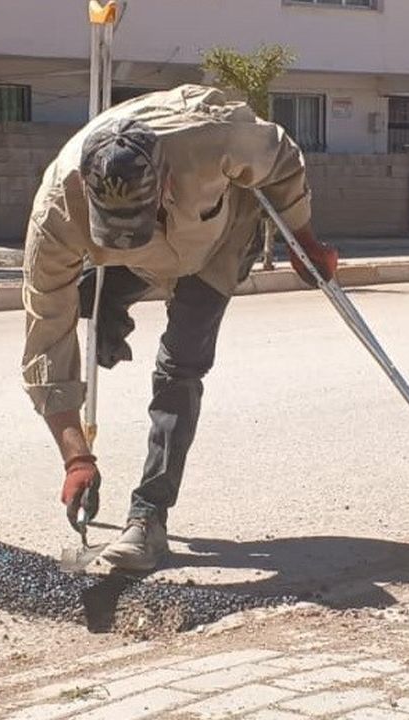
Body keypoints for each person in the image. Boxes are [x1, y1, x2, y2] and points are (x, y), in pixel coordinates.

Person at [21, 84, 339, 570]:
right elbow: (46, 340)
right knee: (83, 295)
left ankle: (148, 516)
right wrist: (75, 457)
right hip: (137, 260)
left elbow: (282, 158)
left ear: (167, 181)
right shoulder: (57, 213)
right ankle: (108, 308)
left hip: (219, 239)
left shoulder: (212, 138)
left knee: (178, 367)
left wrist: (302, 238)